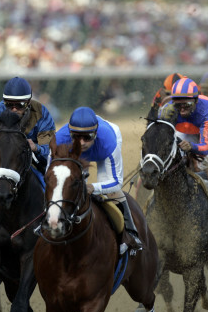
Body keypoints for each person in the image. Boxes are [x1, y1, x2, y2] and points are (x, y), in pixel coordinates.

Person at [55, 106, 143, 253]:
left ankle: (130, 234)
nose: (81, 142)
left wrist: (94, 188)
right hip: (73, 153)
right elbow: (50, 177)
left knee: (107, 192)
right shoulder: (60, 140)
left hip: (102, 150)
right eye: (76, 136)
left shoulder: (108, 141)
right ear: (69, 134)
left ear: (95, 134)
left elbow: (116, 182)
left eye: (87, 137)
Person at [167, 77, 208, 235]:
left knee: (206, 160)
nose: (182, 108)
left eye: (187, 104)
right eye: (178, 104)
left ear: (196, 101)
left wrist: (191, 146)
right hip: (189, 125)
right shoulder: (170, 109)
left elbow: (204, 148)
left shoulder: (207, 112)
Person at [0, 77, 56, 176]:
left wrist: (36, 148)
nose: (14, 109)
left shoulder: (41, 113)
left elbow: (49, 152)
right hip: (2, 161)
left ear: (29, 102)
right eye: (9, 104)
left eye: (20, 105)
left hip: (32, 162)